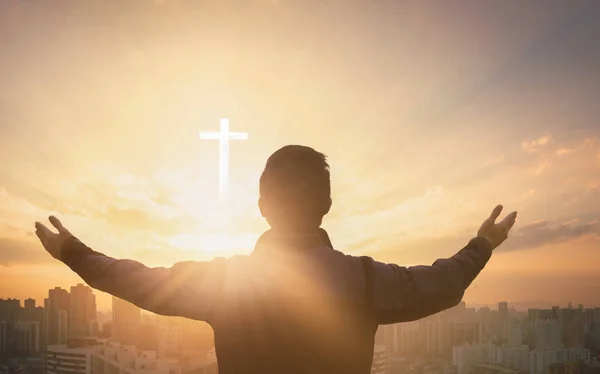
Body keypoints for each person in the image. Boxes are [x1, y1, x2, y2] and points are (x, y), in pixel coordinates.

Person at [35, 145, 517, 374]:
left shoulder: (227, 284)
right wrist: (482, 245)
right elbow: (443, 282)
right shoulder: (367, 281)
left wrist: (73, 252)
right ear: (327, 204)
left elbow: (138, 281)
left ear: (263, 207)